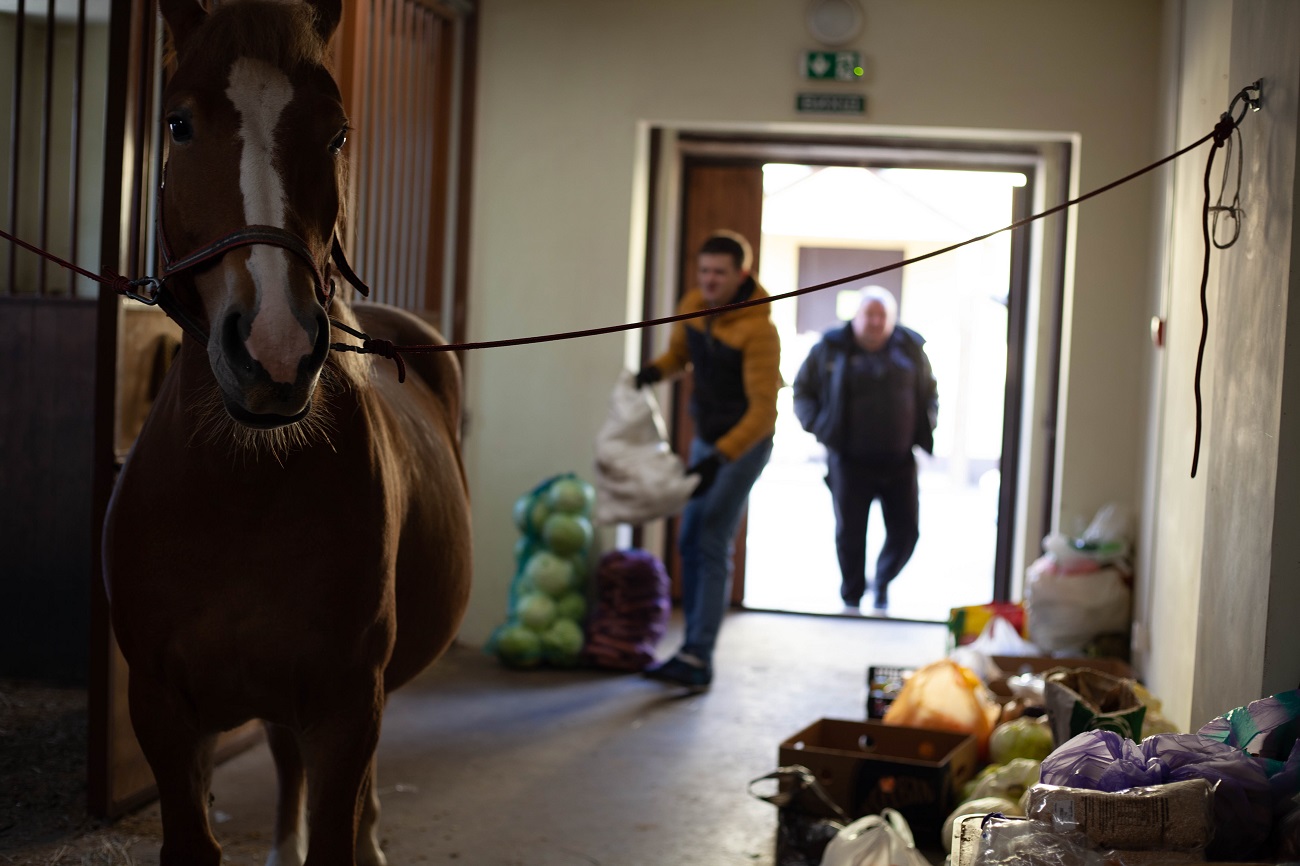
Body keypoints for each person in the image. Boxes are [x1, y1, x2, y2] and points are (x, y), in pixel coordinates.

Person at [633, 231, 781, 690]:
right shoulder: (694, 306)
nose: (710, 280)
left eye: (719, 272)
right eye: (704, 271)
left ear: (741, 274)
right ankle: (689, 649)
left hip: (745, 444)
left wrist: (720, 458)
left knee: (713, 537)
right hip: (709, 438)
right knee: (690, 536)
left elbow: (763, 411)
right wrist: (653, 372)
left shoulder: (760, 330)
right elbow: (680, 356)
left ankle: (699, 656)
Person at [792, 286, 938, 610]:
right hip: (849, 459)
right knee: (850, 534)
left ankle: (882, 582)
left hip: (899, 460)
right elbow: (802, 391)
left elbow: (930, 392)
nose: (875, 322)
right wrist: (819, 427)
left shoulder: (910, 348)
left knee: (906, 532)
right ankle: (852, 596)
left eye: (881, 316)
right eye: (868, 315)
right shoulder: (830, 347)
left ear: (892, 320)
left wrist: (929, 424)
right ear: (855, 317)